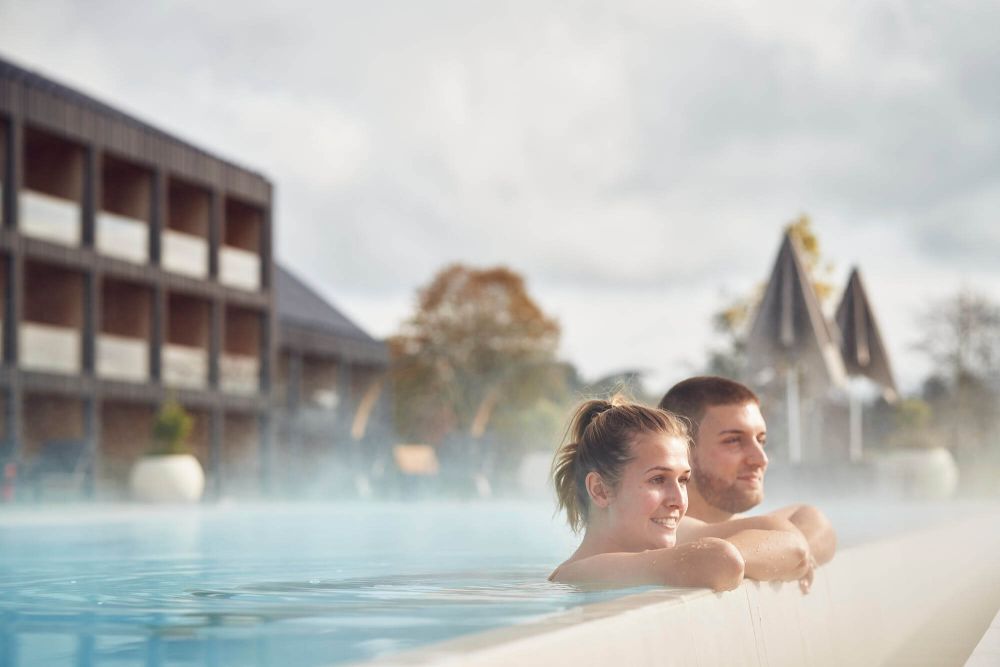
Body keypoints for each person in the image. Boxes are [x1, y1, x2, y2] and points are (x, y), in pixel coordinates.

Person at [548, 396, 813, 590]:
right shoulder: (581, 575)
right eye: (658, 479)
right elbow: (722, 562)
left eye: (683, 480)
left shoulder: (653, 543)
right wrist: (767, 559)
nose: (678, 500)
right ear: (600, 490)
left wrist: (778, 555)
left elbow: (792, 543)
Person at [658, 376, 837, 591]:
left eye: (761, 440)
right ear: (681, 451)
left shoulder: (745, 529)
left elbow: (814, 520)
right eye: (733, 440)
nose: (761, 459)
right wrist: (782, 553)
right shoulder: (656, 532)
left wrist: (790, 553)